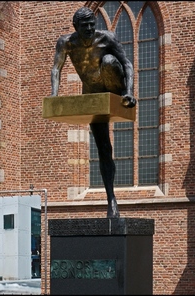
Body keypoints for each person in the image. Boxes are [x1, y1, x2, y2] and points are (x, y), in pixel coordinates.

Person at [50, 6, 136, 218]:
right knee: (103, 149)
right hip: (93, 92)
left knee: (108, 61)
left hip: (114, 86)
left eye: (91, 24)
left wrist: (128, 92)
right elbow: (56, 68)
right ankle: (111, 200)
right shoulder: (66, 42)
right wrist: (54, 96)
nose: (89, 28)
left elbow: (126, 63)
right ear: (75, 27)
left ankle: (119, 94)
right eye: (84, 25)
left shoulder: (107, 38)